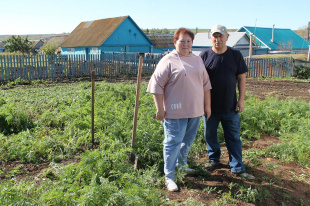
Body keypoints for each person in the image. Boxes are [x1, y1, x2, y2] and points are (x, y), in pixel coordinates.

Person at [147, 28, 212, 191]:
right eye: (182, 41)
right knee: (172, 142)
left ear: (192, 43)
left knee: (187, 142)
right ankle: (169, 177)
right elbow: (157, 85)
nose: (185, 44)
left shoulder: (197, 60)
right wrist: (160, 108)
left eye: (188, 41)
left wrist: (207, 106)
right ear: (175, 42)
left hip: (195, 110)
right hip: (175, 111)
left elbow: (206, 85)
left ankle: (182, 166)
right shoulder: (168, 60)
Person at [199, 25, 255, 181]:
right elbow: (198, 80)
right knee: (210, 135)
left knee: (234, 137)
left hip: (230, 106)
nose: (218, 39)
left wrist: (241, 99)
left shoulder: (235, 55)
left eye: (221, 36)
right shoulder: (204, 56)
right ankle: (214, 159)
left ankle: (237, 167)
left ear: (227, 37)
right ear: (211, 38)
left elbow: (242, 78)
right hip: (209, 108)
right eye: (215, 36)